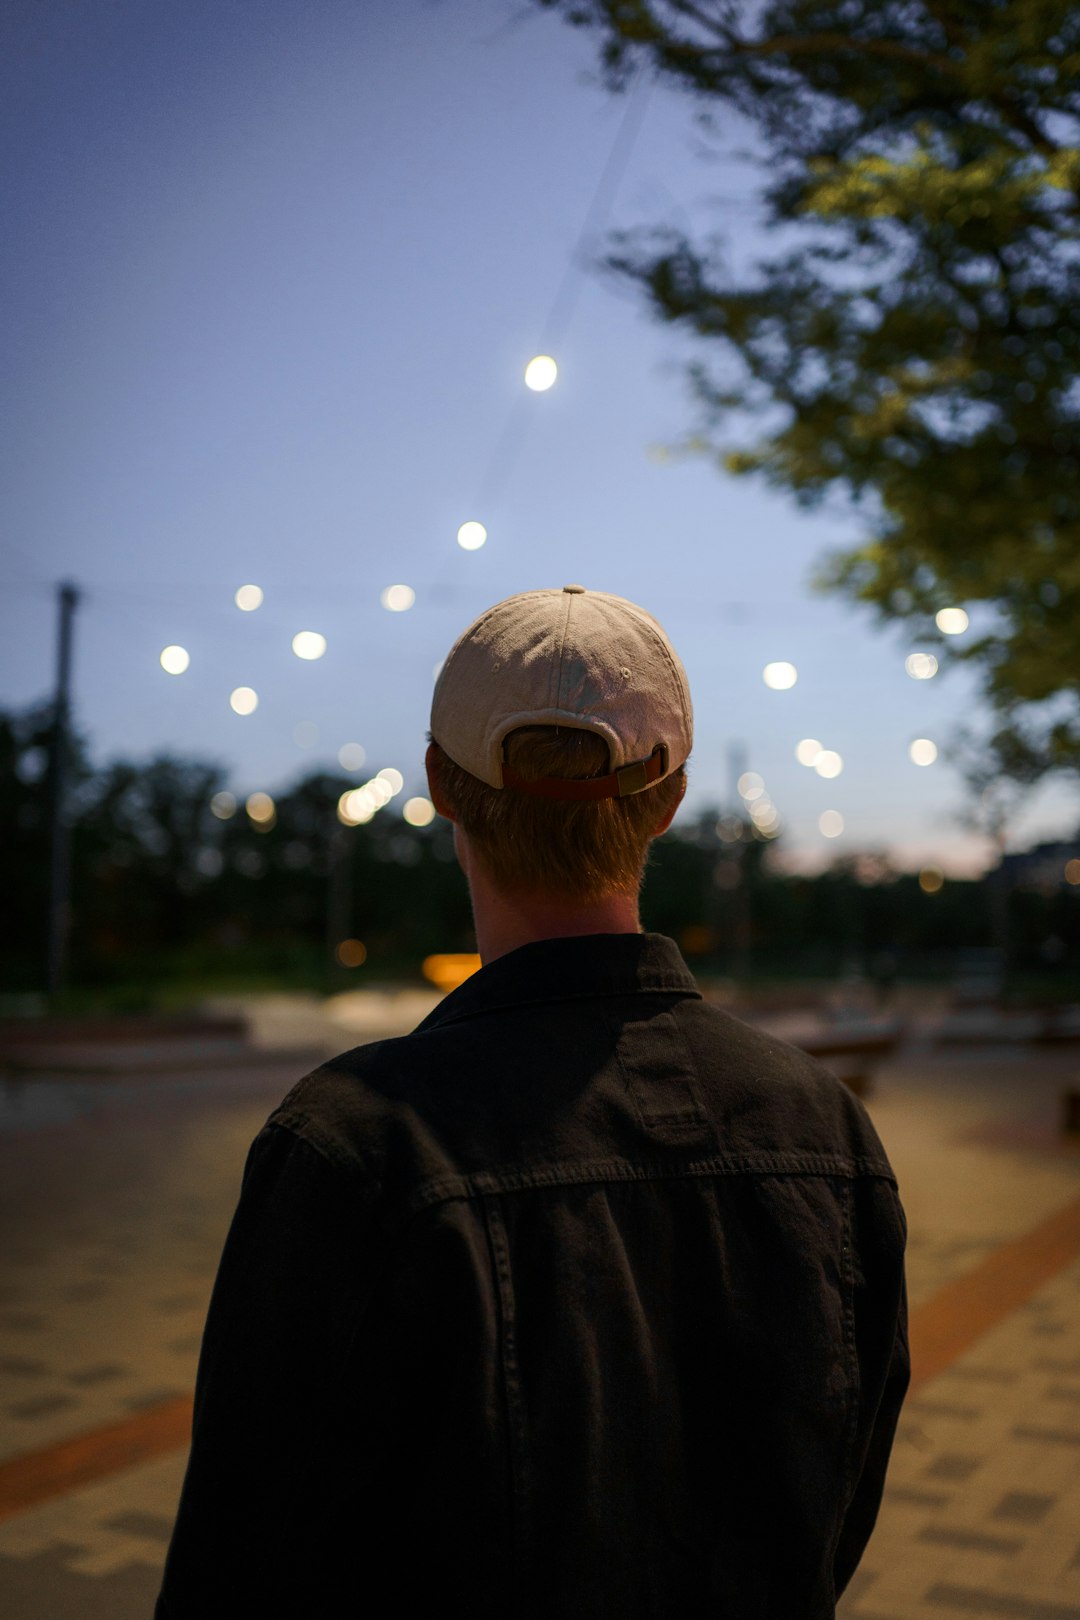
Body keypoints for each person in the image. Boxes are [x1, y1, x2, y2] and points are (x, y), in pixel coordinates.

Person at [155, 584, 909, 1619]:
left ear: (441, 785)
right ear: (672, 798)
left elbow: (245, 1563)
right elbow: (839, 1510)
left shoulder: (349, 1148)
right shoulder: (826, 1131)